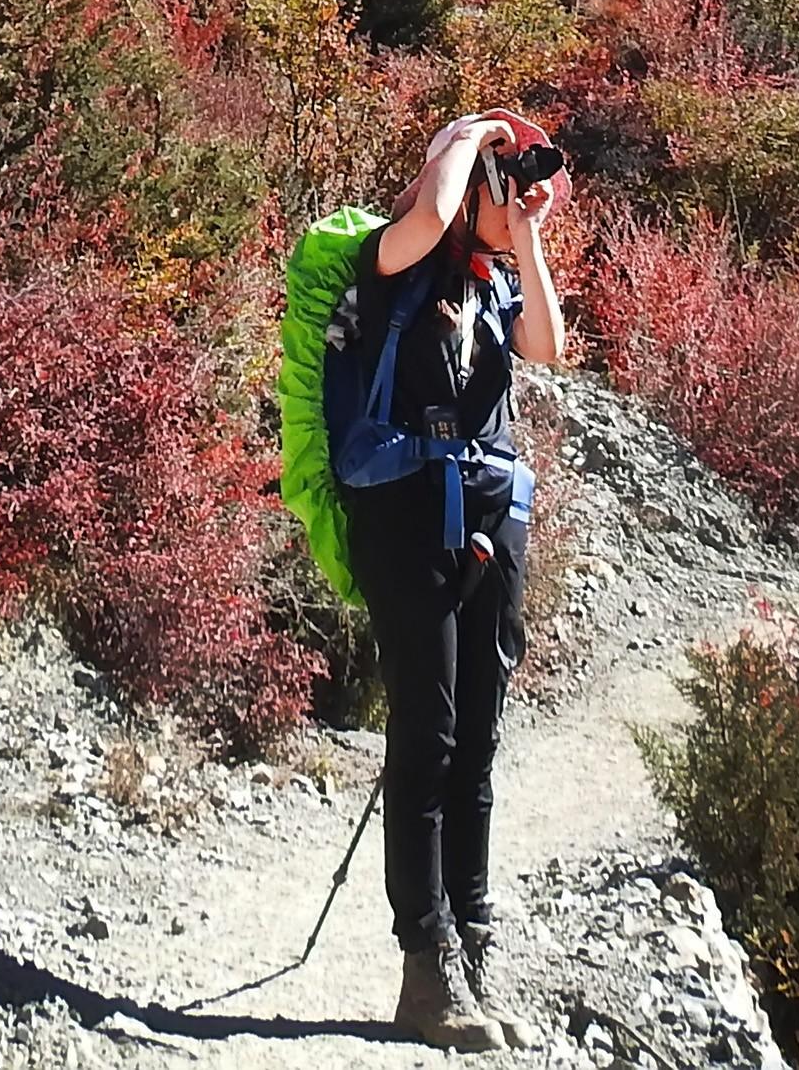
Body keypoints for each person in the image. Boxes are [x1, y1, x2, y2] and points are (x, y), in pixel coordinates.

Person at [343, 109, 569, 1050]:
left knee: (478, 734)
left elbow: (549, 346)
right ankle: (425, 965)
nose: (512, 190)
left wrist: (523, 229)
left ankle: (473, 945)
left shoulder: (495, 285)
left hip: (489, 514)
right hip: (403, 519)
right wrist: (464, 142)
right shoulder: (391, 262)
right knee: (428, 732)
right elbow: (429, 223)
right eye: (498, 180)